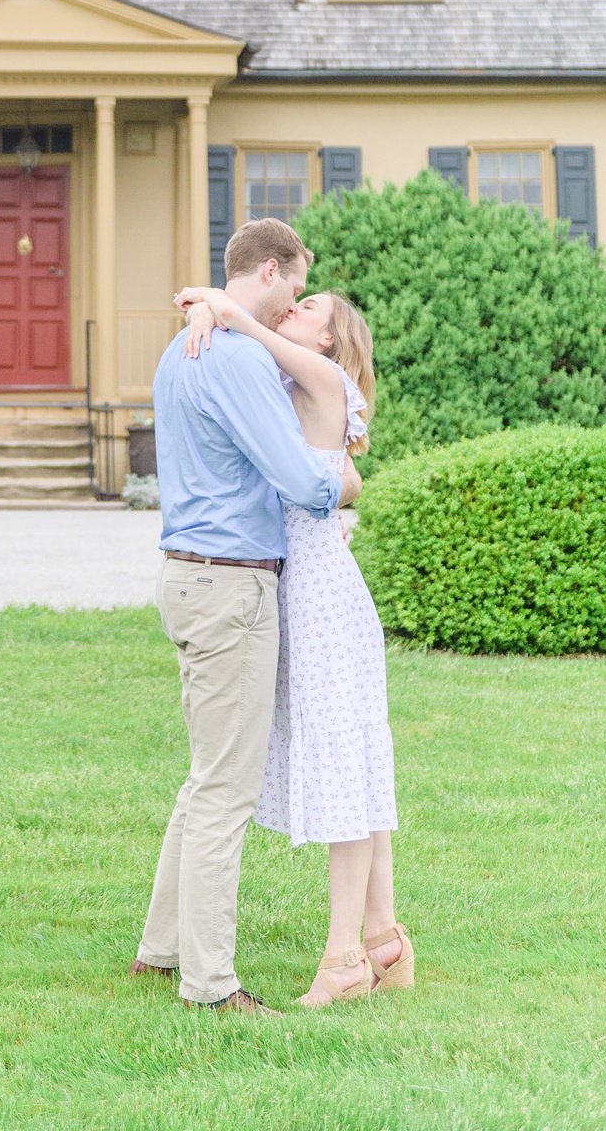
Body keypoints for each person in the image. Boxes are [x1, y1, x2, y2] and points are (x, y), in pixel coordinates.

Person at [132, 217, 359, 1016]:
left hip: (189, 578)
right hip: (232, 587)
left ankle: (160, 953)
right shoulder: (235, 360)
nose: (298, 296)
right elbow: (300, 480)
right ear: (270, 270)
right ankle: (211, 984)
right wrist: (347, 486)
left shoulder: (183, 348)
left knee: (206, 781)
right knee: (226, 790)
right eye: (297, 284)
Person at [177, 282, 412, 1009]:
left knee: (344, 770)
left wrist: (223, 305)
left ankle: (343, 959)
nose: (298, 309)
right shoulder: (294, 378)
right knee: (358, 767)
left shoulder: (322, 373)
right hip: (313, 588)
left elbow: (261, 336)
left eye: (312, 308)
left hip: (318, 601)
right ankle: (383, 941)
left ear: (329, 340)